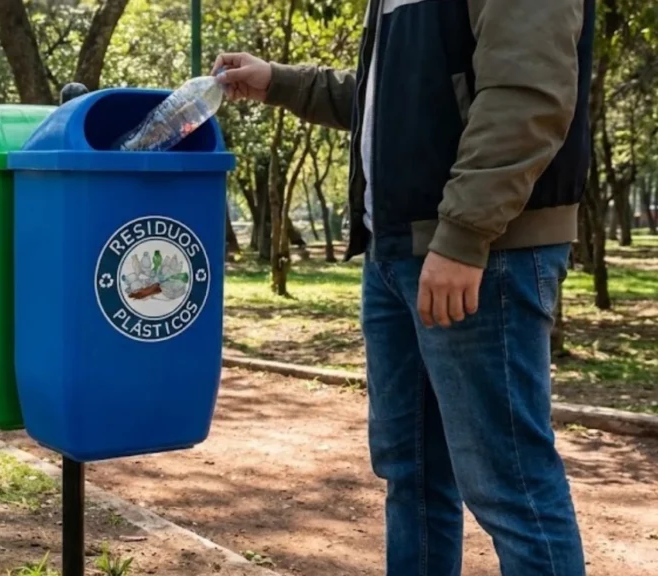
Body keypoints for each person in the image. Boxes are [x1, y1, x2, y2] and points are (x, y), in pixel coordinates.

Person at [213, 1, 593, 574]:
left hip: (482, 254)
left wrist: (464, 234)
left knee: (510, 485)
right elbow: (388, 102)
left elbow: (527, 95)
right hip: (398, 250)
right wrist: (279, 82)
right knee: (411, 473)